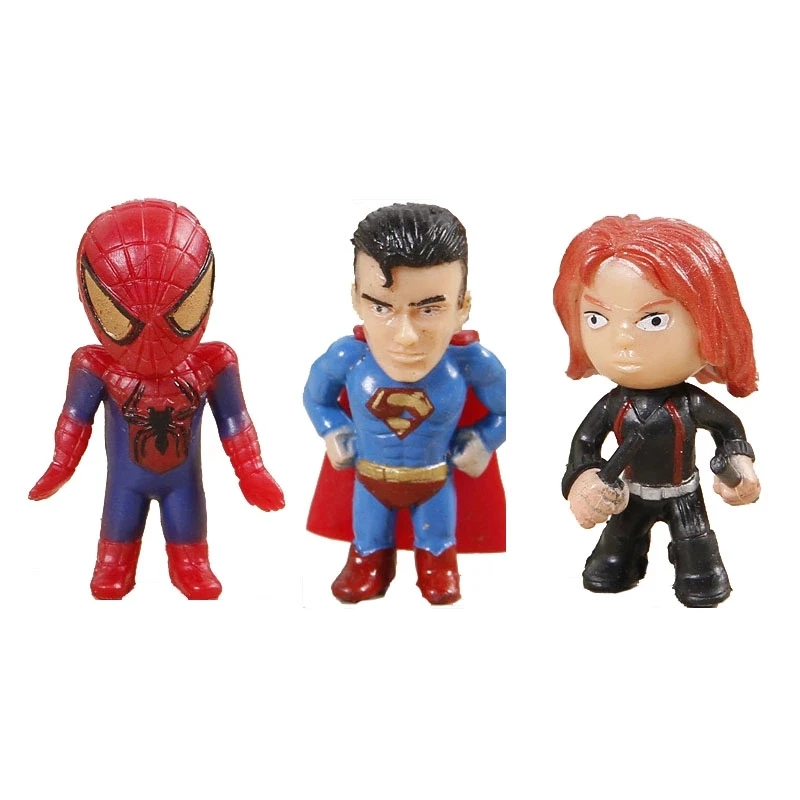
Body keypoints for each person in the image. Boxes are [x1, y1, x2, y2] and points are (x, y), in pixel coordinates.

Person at [30, 199, 284, 599]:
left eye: (180, 311)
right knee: (118, 534)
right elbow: (75, 419)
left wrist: (252, 470)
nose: (153, 335)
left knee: (189, 534)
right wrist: (60, 466)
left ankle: (190, 565)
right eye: (122, 318)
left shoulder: (213, 364)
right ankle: (114, 563)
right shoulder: (96, 366)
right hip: (125, 483)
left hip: (183, 482)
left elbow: (234, 421)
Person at [304, 203, 506, 604]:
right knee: (368, 538)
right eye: (382, 307)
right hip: (369, 478)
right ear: (357, 299)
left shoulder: (471, 364)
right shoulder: (348, 358)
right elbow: (316, 398)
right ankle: (368, 562)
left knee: (437, 542)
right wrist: (332, 431)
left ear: (462, 307)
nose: (406, 336)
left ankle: (438, 567)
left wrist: (485, 439)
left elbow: (510, 411)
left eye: (429, 309)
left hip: (434, 480)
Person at [554, 215, 760, 607]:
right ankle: (621, 564)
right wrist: (582, 480)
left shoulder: (690, 403)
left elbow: (729, 430)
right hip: (628, 495)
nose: (623, 340)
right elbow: (584, 443)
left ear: (708, 325)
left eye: (653, 320)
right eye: (596, 318)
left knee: (701, 570)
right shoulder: (614, 404)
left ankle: (696, 571)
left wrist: (739, 463)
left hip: (685, 494)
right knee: (609, 564)